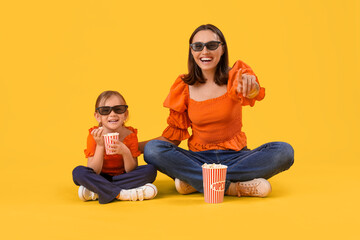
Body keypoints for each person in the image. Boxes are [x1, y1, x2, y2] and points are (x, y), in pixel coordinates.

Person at [140, 24, 294, 198]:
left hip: (237, 157)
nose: (205, 51)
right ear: (192, 52)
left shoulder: (236, 76)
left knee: (284, 151)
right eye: (198, 46)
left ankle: (195, 181)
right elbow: (172, 139)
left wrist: (253, 88)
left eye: (212, 45)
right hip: (198, 160)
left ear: (222, 49)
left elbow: (253, 91)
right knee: (153, 150)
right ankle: (233, 188)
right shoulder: (184, 86)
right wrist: (134, 147)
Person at [72, 91, 158, 204]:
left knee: (150, 170)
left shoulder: (130, 135)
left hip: (123, 176)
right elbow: (94, 170)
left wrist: (125, 152)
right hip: (101, 176)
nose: (112, 114)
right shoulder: (94, 135)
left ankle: (98, 190)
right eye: (105, 110)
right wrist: (100, 145)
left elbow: (131, 170)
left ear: (125, 115)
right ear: (98, 116)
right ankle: (122, 194)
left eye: (118, 109)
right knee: (78, 172)